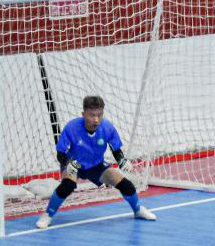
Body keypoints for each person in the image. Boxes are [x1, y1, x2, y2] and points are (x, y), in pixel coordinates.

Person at [36, 95, 157, 229]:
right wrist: (67, 163)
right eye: (92, 115)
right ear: (83, 114)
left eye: (99, 115)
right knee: (67, 186)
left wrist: (122, 160)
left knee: (126, 185)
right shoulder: (72, 127)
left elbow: (116, 149)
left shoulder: (107, 127)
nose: (96, 119)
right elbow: (60, 154)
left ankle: (138, 210)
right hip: (75, 164)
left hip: (96, 165)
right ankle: (47, 214)